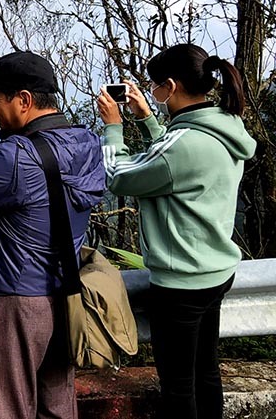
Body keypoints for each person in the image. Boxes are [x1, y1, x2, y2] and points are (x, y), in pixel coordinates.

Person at [96, 44, 256, 419]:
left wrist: (114, 127)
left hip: (182, 284)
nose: (151, 93)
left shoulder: (182, 146)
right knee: (206, 371)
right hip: (216, 272)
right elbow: (173, 159)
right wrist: (149, 119)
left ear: (170, 86)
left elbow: (118, 177)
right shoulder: (227, 126)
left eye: (154, 87)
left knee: (179, 386)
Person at [0, 51, 106, 419]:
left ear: (24, 100)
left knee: (4, 409)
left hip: (13, 306)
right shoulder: (86, 143)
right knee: (58, 406)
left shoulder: (14, 156)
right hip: (63, 296)